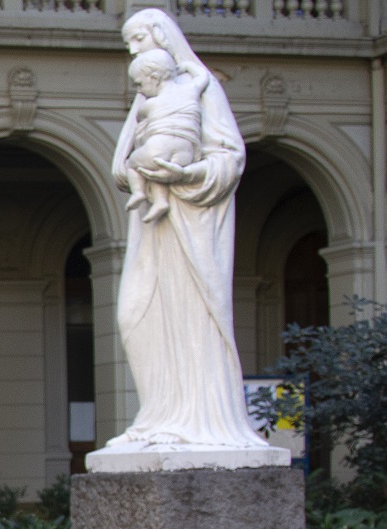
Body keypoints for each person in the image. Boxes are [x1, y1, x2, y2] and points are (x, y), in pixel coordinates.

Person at [103, 8, 267, 452]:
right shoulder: (146, 94)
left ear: (160, 36)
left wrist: (185, 174)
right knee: (133, 317)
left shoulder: (201, 84)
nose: (133, 48)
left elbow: (229, 157)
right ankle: (158, 414)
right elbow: (124, 161)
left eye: (137, 38)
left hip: (191, 226)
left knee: (194, 321)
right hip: (153, 230)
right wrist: (144, 170)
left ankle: (199, 420)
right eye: (129, 42)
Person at [124, 48, 209, 224]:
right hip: (187, 151)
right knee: (159, 171)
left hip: (158, 145)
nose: (139, 91)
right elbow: (203, 77)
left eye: (139, 84)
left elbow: (140, 121)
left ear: (154, 79)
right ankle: (161, 202)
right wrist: (186, 66)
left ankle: (139, 192)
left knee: (134, 164)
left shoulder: (150, 104)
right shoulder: (191, 91)